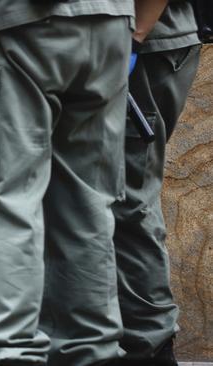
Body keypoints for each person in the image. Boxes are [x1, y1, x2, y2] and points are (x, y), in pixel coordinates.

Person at [0, 0, 172, 365]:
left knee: (1, 203)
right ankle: (89, 353)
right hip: (108, 23)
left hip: (15, 22)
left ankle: (6, 355)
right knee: (86, 208)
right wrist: (133, 30)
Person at [110, 2, 202, 365]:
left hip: (142, 45)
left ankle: (149, 348)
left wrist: (133, 38)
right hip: (133, 42)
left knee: (128, 199)